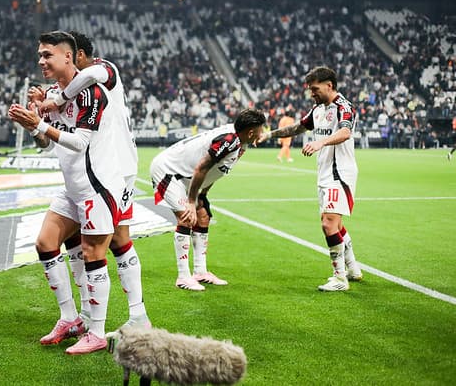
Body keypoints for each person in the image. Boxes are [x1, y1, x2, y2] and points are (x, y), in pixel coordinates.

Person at [8, 31, 125, 355]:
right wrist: (32, 126)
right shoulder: (49, 94)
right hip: (72, 187)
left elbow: (80, 142)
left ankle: (97, 332)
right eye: (40, 55)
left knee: (93, 253)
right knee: (45, 243)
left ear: (68, 57)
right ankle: (70, 318)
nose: (41, 60)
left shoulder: (91, 93)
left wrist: (41, 124)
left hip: (97, 186)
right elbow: (44, 143)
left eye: (47, 55)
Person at [35, 31, 149, 331]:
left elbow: (90, 78)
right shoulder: (65, 90)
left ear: (78, 56)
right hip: (83, 174)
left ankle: (137, 315)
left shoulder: (102, 71)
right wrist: (47, 105)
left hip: (117, 167)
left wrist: (58, 98)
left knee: (118, 241)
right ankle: (82, 314)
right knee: (73, 241)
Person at [257, 66, 362, 291]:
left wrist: (319, 142)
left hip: (339, 174)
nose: (311, 93)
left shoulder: (344, 107)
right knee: (336, 223)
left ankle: (339, 278)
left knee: (328, 224)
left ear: (329, 85)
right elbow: (298, 127)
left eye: (314, 89)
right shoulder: (318, 110)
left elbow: (345, 132)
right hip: (324, 174)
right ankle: (353, 268)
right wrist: (270, 134)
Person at [151, 109, 266, 291]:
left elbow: (215, 172)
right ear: (250, 132)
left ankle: (200, 271)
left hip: (187, 176)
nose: (262, 134)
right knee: (187, 217)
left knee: (203, 216)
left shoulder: (239, 140)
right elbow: (201, 168)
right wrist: (191, 201)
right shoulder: (229, 141)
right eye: (260, 130)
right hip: (169, 172)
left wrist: (202, 195)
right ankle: (183, 276)